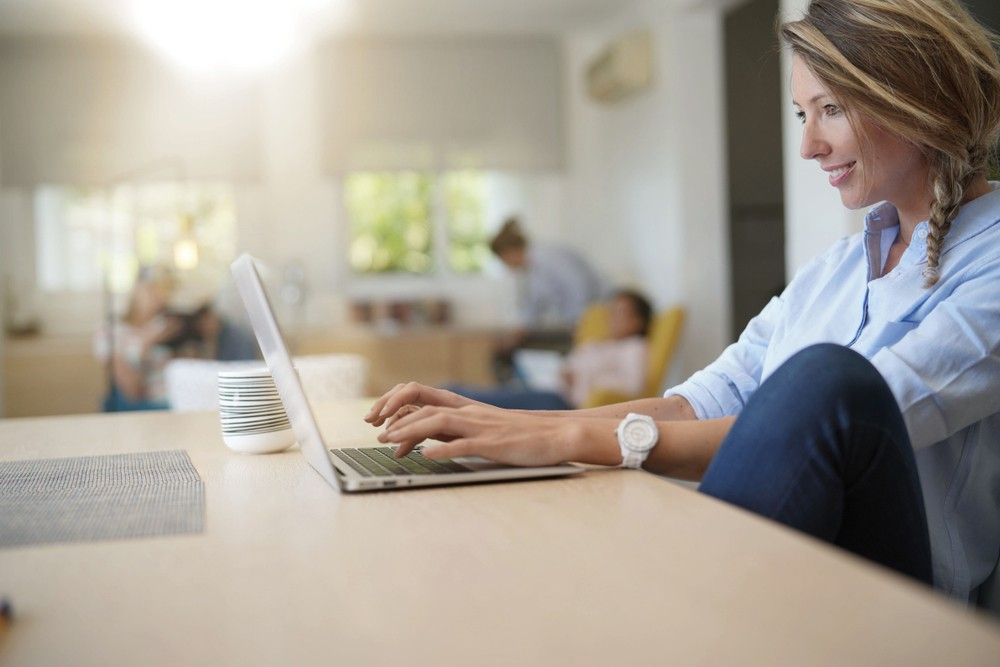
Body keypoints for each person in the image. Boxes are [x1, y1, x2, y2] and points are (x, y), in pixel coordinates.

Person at [363, 0, 1000, 604]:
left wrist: (573, 434)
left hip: (895, 596)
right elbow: (704, 398)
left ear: (916, 98)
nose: (808, 146)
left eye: (830, 109)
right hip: (784, 564)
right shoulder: (835, 268)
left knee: (831, 381)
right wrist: (501, 424)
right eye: (802, 116)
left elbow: (850, 416)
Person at [451, 289, 653, 410]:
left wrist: (581, 380)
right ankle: (454, 394)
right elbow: (570, 365)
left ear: (638, 321)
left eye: (621, 313)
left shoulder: (634, 348)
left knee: (491, 401)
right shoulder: (599, 344)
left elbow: (633, 387)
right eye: (612, 311)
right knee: (502, 390)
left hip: (562, 402)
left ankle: (453, 397)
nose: (612, 318)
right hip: (550, 386)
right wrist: (565, 372)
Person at [489, 217, 608, 382]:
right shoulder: (532, 271)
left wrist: (581, 323)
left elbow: (579, 286)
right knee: (509, 351)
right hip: (578, 321)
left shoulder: (548, 256)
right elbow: (534, 306)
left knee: (530, 351)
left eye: (503, 261)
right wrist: (519, 331)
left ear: (508, 252)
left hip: (596, 317)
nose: (506, 267)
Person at [94, 268, 182, 411]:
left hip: (177, 397)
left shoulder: (165, 326)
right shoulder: (110, 333)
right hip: (149, 404)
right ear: (136, 291)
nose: (160, 296)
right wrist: (146, 345)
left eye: (164, 291)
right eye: (153, 289)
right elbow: (133, 392)